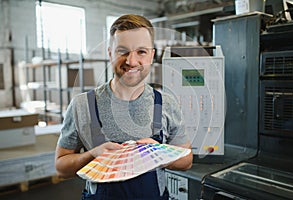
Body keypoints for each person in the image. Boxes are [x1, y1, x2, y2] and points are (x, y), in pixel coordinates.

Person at [55, 14, 193, 200]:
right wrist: (91, 155)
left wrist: (160, 153)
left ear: (152, 55)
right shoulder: (83, 105)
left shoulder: (166, 104)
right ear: (110, 53)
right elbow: (61, 167)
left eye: (141, 52)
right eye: (123, 51)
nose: (131, 61)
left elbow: (187, 160)